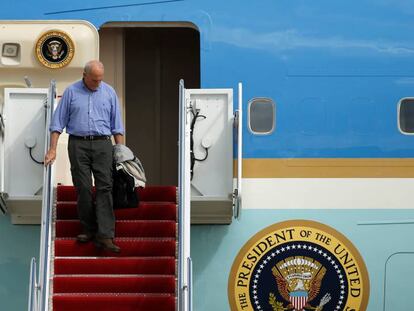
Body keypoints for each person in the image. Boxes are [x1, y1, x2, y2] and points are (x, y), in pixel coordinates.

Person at [44, 60, 124, 253]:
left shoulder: (109, 92)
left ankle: (105, 235)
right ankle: (88, 229)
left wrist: (121, 151)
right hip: (78, 143)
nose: (98, 84)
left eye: (100, 80)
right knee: (83, 187)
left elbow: (117, 126)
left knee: (105, 187)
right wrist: (52, 149)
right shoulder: (71, 92)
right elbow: (57, 124)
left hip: (103, 144)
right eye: (94, 80)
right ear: (84, 75)